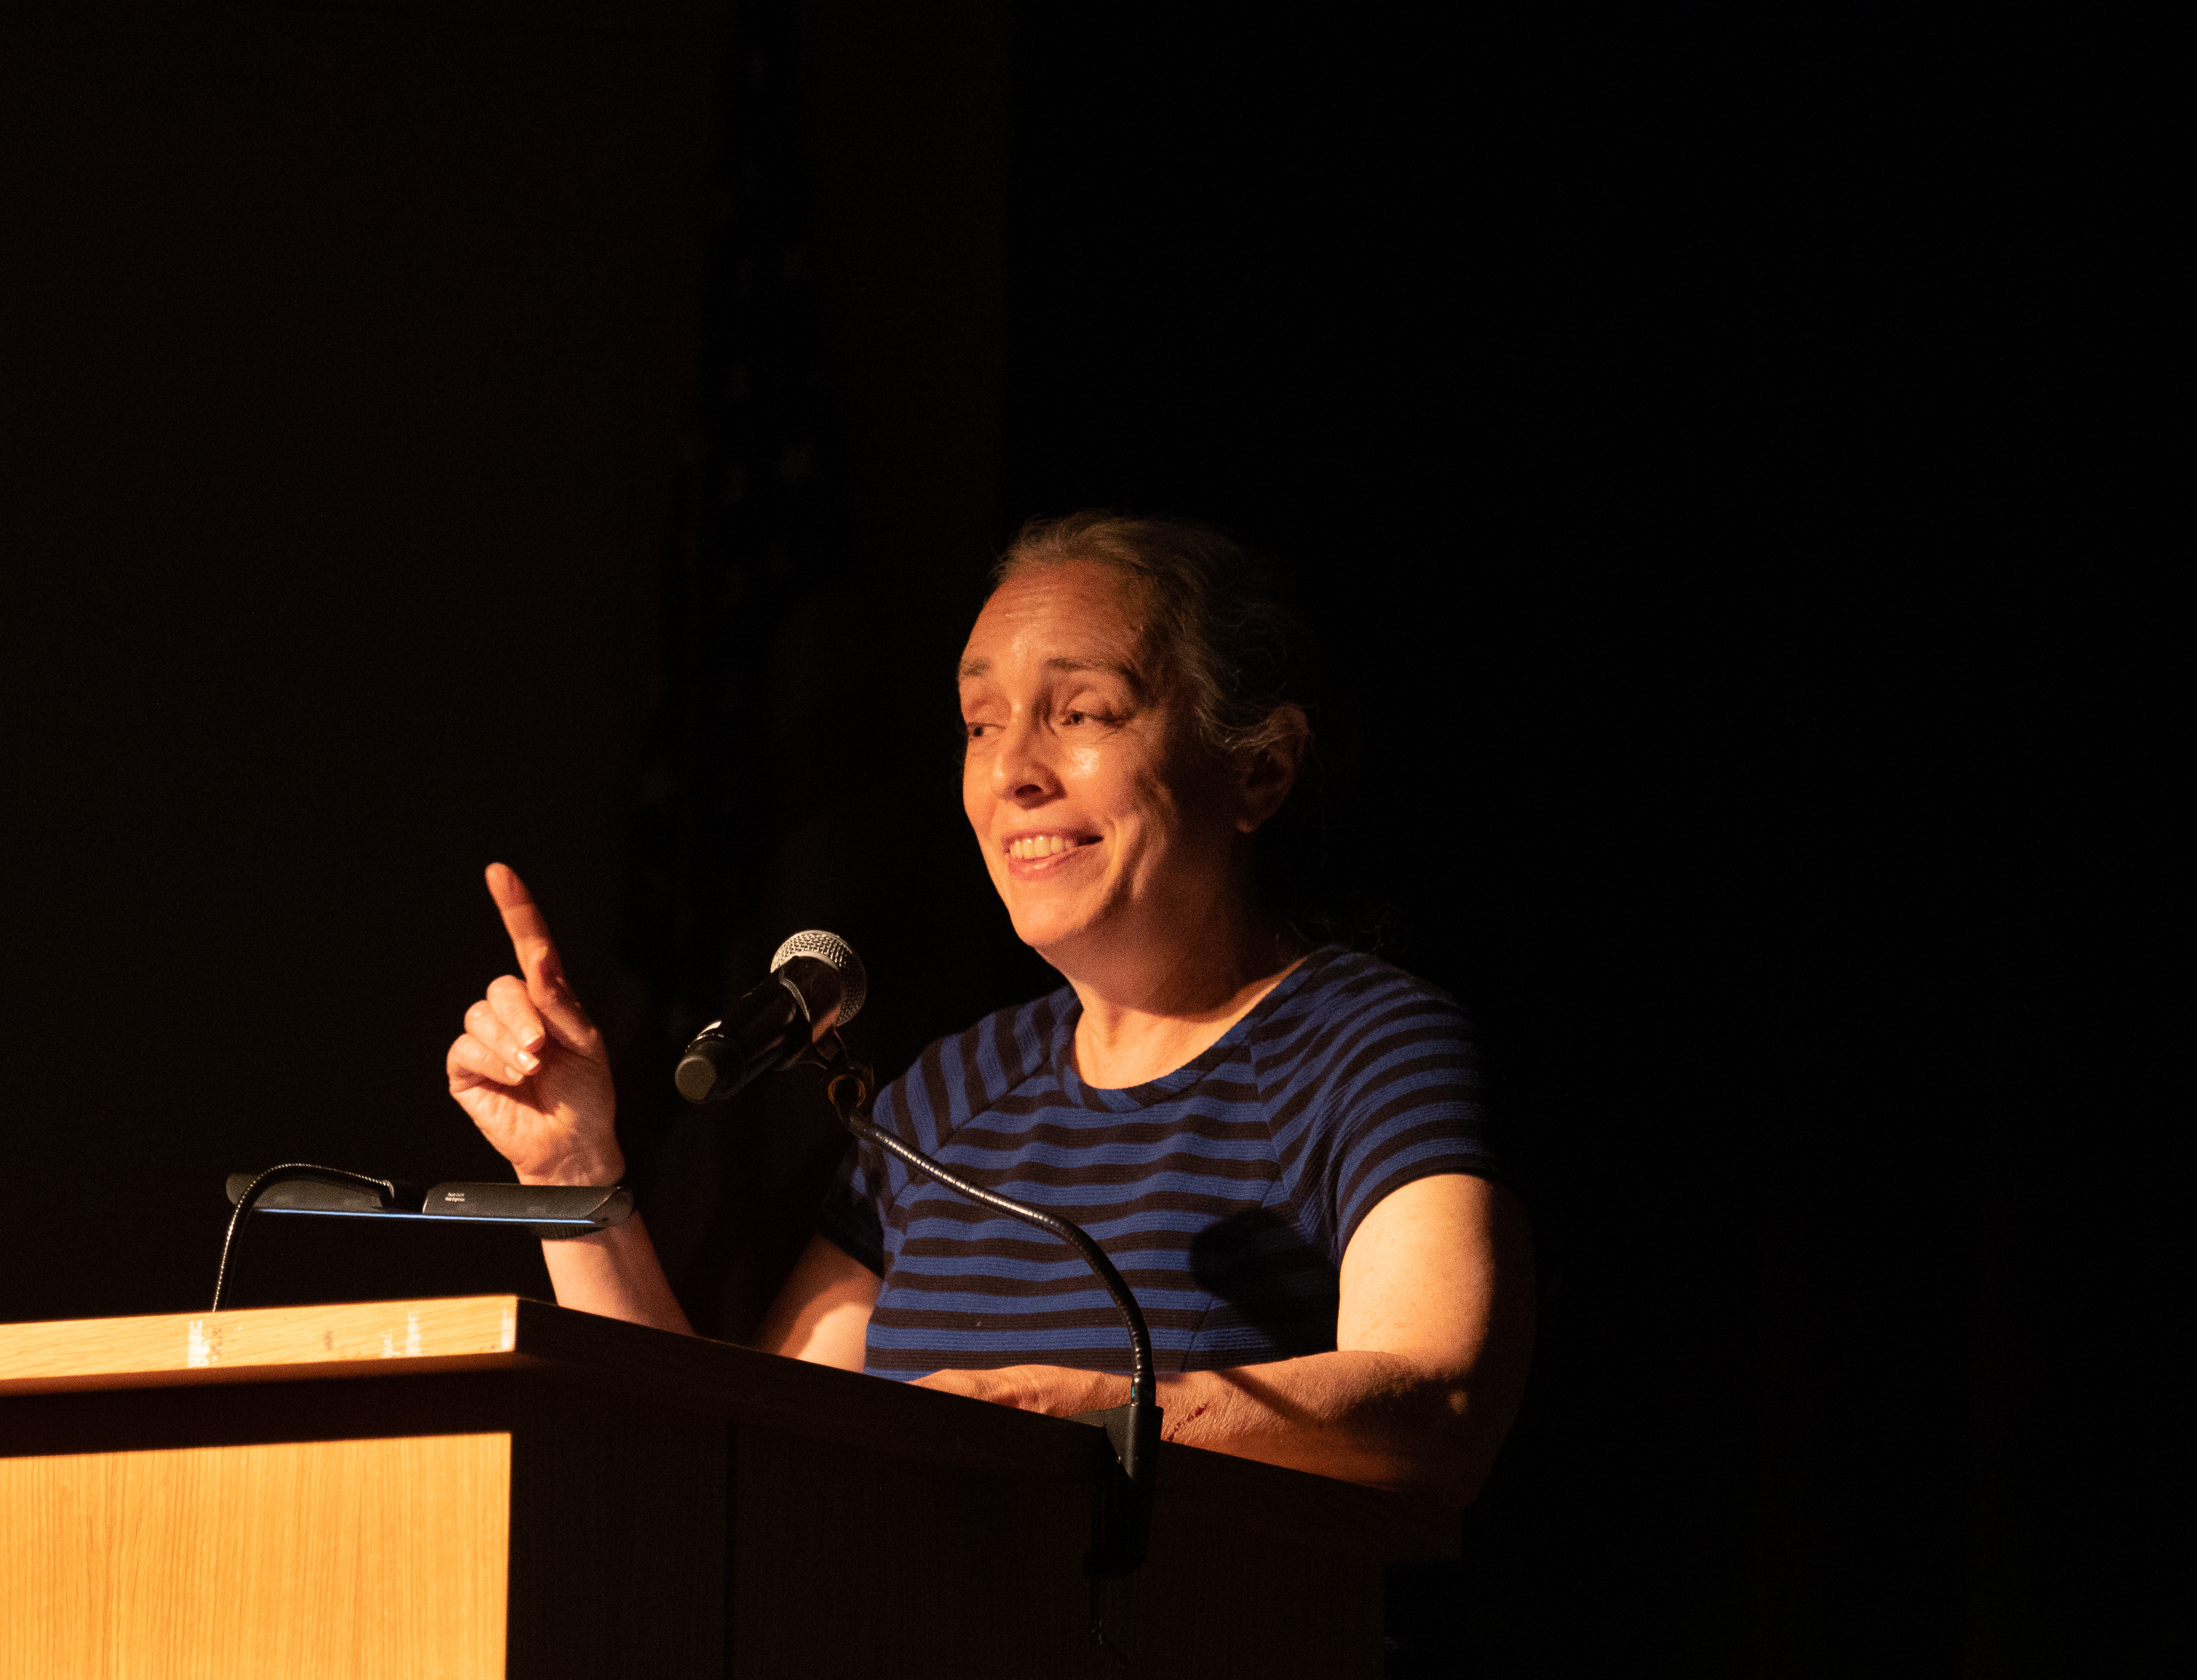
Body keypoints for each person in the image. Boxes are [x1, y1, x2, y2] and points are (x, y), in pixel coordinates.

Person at [439, 510, 1531, 1506]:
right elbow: (741, 1463)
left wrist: (1086, 1424)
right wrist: (574, 1180)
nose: (1013, 771)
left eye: (1084, 711)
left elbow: (1434, 1409)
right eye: (980, 723)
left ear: (1260, 772)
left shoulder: (1369, 1048)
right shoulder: (946, 1097)